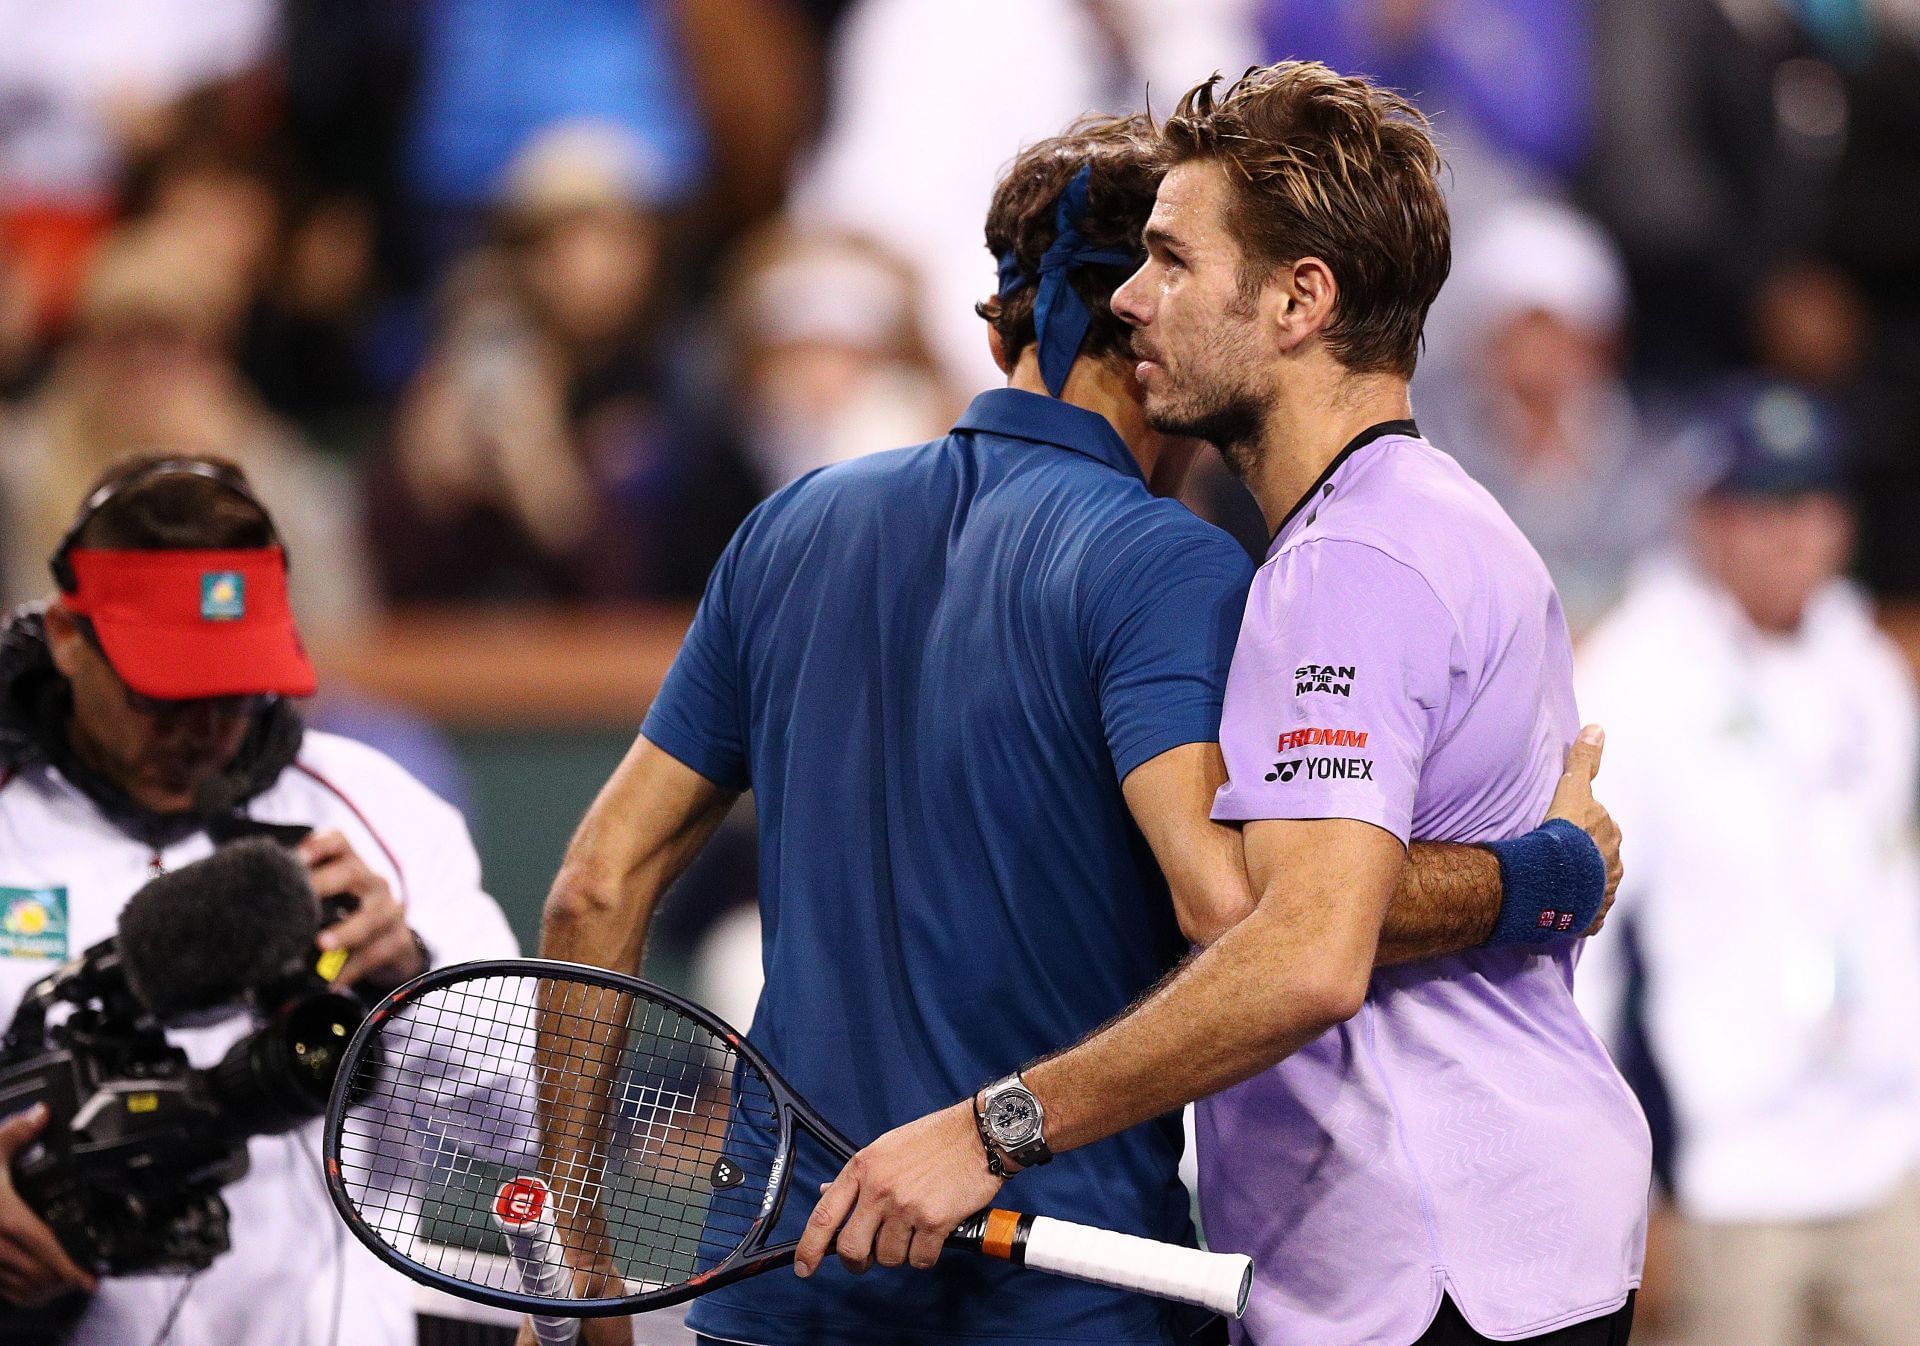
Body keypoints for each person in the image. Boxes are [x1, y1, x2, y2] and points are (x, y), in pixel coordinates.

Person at [529, 110, 1623, 1346]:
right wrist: (1542, 871)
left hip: (784, 1282)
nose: (1156, 301)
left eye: (1180, 265)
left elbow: (593, 884)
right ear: (1132, 330)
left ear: (997, 328)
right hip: (1063, 1287)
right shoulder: (1173, 566)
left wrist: (575, 1259)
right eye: (1147, 272)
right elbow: (1251, 913)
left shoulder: (790, 525)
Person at [0, 455, 518, 1345]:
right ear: (67, 636)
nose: (203, 730)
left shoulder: (374, 808)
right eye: (164, 693)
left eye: (233, 692)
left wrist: (411, 973)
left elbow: (525, 1126)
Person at [1574, 380, 1920, 1346]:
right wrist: (1620, 1186)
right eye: (1761, 507)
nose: (1791, 534)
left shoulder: (1870, 671)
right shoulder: (1634, 675)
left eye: (1812, 504)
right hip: (1723, 1174)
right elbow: (1590, 943)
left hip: (1886, 1156)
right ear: (1707, 518)